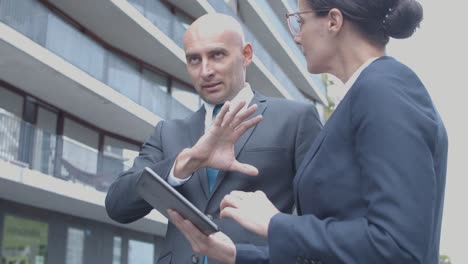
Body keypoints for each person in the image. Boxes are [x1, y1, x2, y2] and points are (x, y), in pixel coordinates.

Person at [168, 0, 448, 263]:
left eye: (299, 22)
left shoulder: (383, 91)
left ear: (333, 21)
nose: (297, 37)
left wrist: (276, 224)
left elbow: (398, 246)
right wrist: (235, 255)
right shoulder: (365, 95)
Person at [105, 13, 322, 264]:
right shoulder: (168, 133)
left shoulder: (295, 119)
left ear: (247, 55)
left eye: (217, 55)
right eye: (194, 60)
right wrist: (187, 162)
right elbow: (117, 206)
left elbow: (320, 228)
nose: (205, 71)